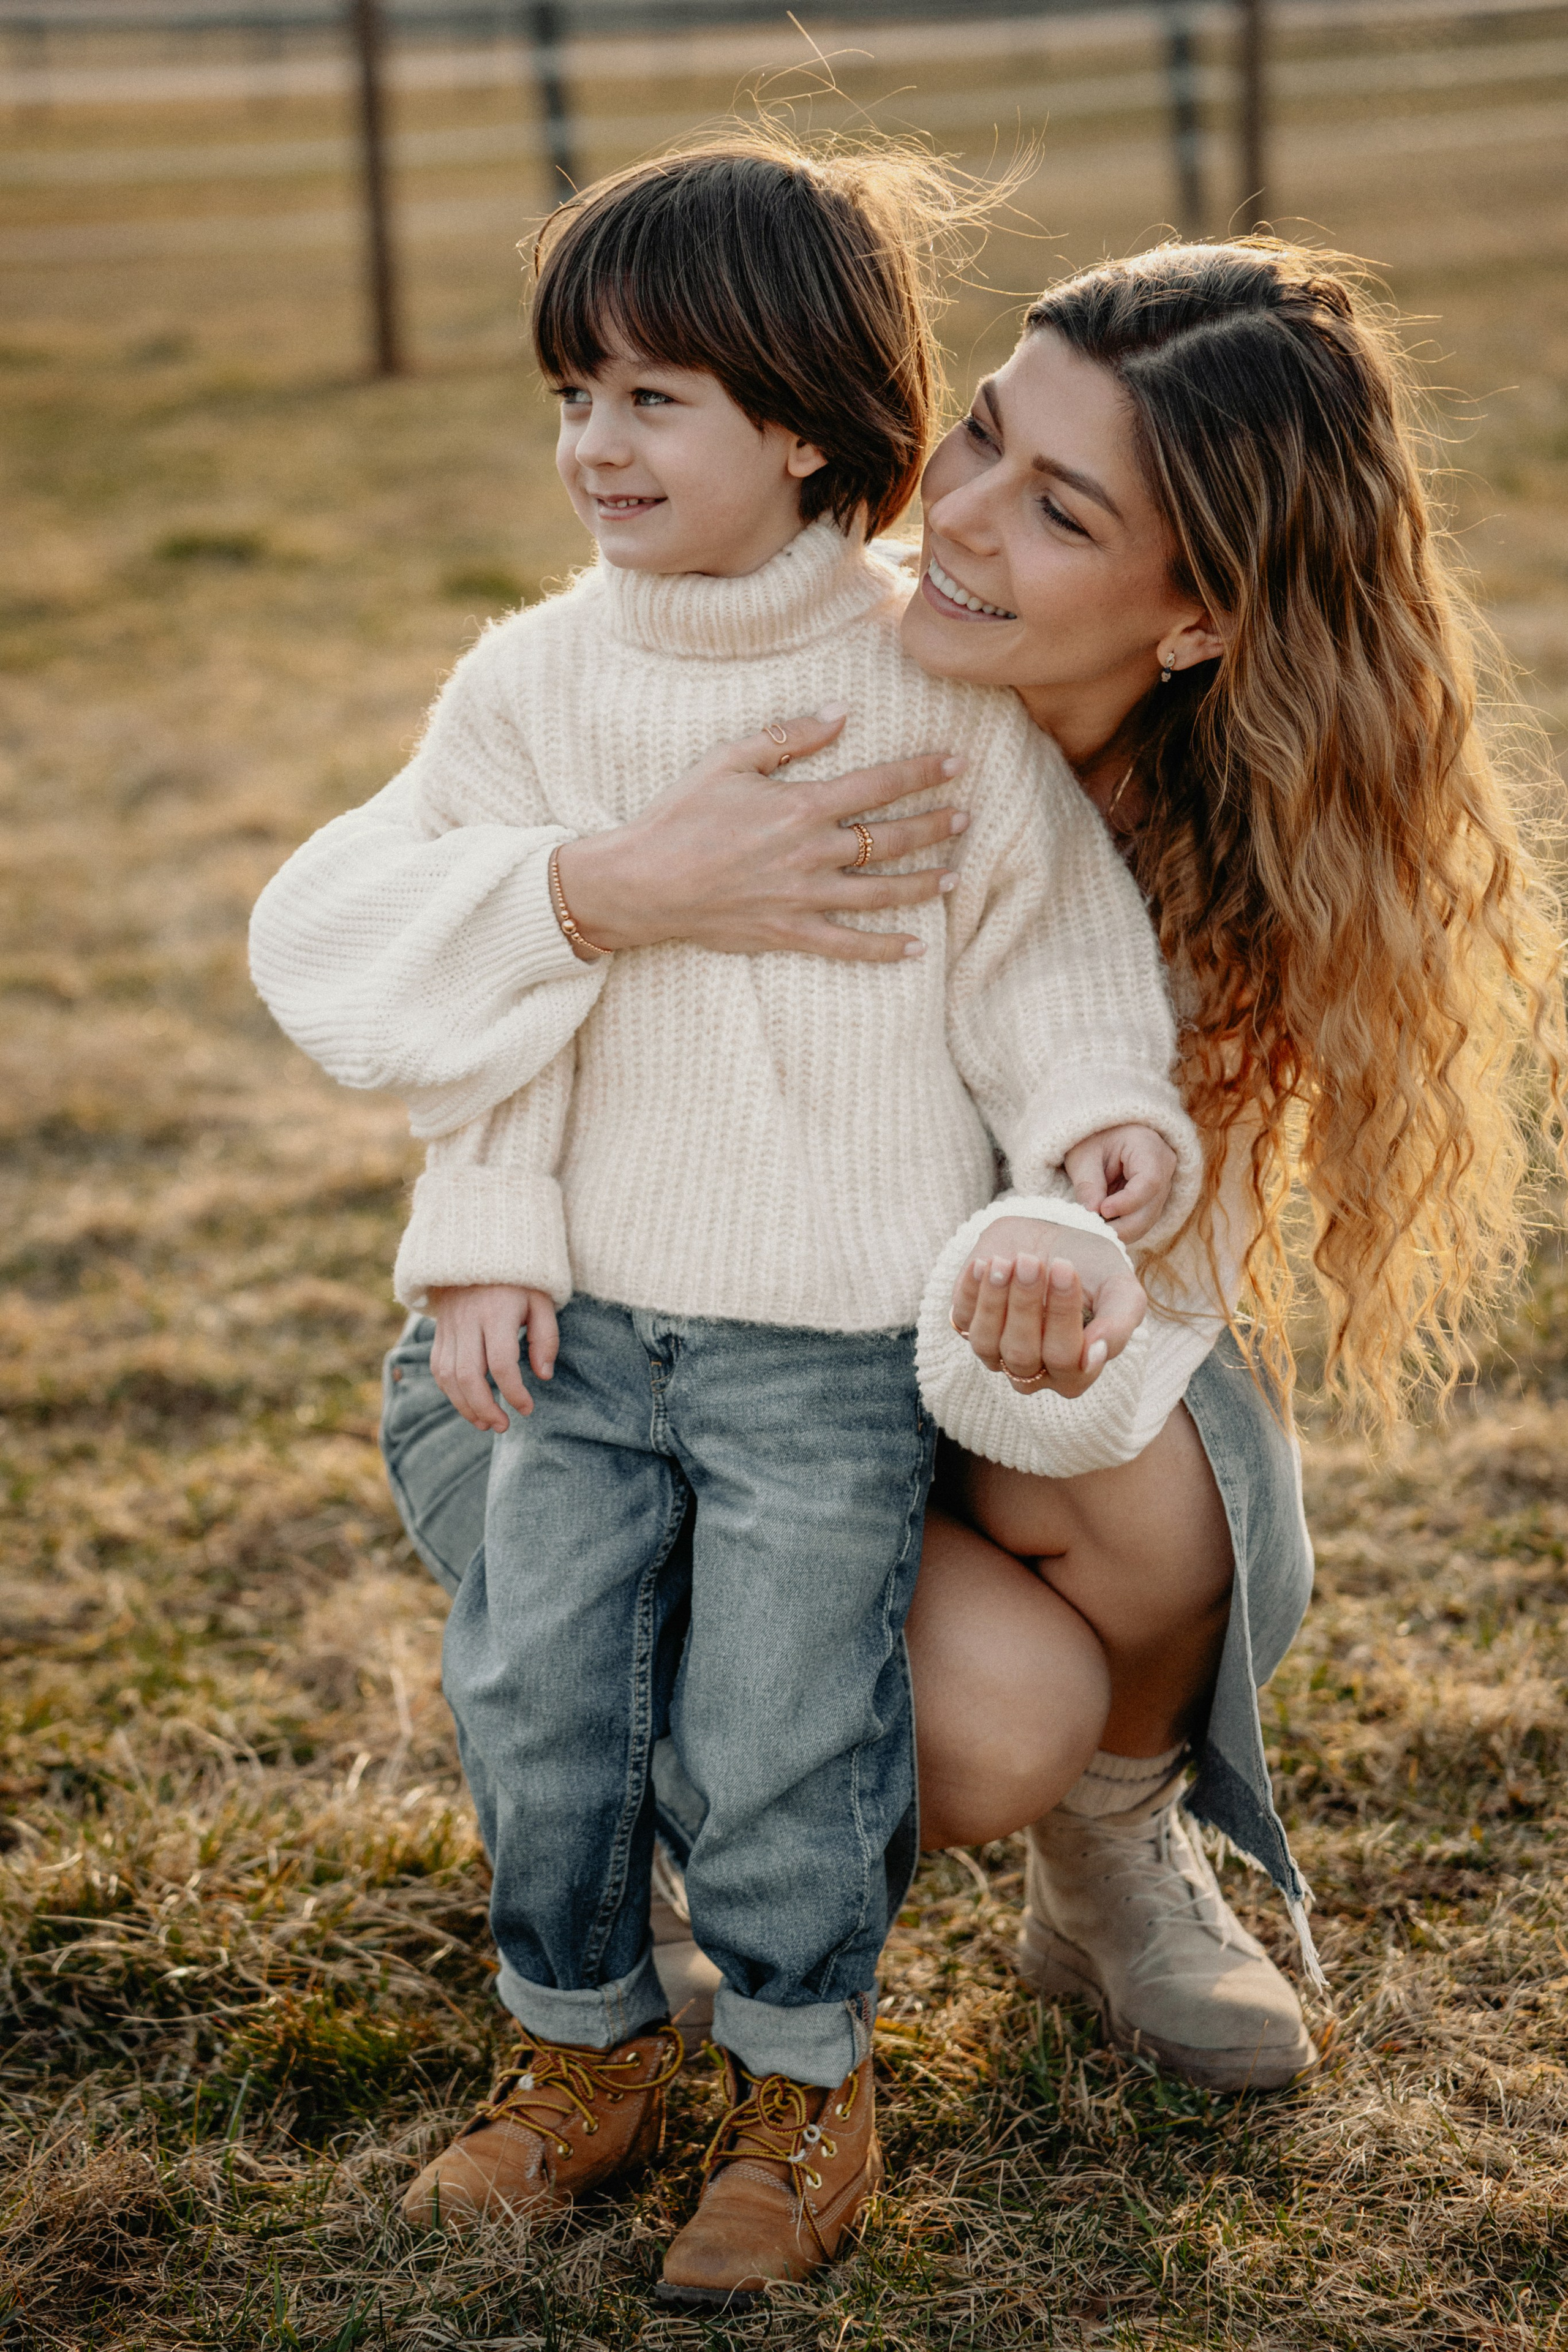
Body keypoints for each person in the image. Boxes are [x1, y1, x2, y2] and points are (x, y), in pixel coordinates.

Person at [260, 237, 1567, 2185]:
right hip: (591, 1361)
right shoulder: (740, 654)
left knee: (1093, 1566)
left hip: (904, 1395)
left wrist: (1032, 1256)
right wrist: (610, 884)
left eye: (1059, 507)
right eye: (979, 435)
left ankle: (1113, 1866)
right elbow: (319, 934)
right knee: (886, 1682)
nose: (953, 512)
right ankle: (631, 1834)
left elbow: (1125, 1323)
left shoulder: (1229, 867)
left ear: (1198, 611)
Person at [251, 141, 1202, 2307]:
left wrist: (1096, 1136)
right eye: (573, 392)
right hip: (572, 1325)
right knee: (544, 1692)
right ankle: (579, 2043)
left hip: (821, 1347)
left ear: (801, 422)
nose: (594, 442)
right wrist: (486, 1226)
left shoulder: (930, 700)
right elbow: (487, 1003)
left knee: (790, 1721)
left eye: (653, 394)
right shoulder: (529, 691)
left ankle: (799, 2082)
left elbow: (1046, 971)